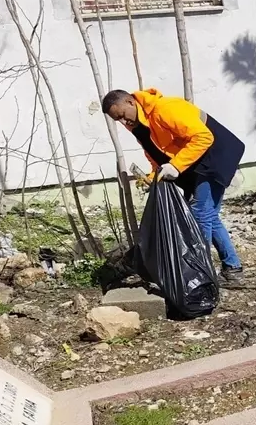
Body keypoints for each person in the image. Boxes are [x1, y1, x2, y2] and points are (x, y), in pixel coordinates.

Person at [102, 88, 246, 287]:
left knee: (198, 216)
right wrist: (153, 176)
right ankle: (233, 268)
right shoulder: (137, 125)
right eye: (117, 120)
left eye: (122, 115)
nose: (123, 122)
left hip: (215, 156)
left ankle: (199, 274)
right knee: (208, 215)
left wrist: (176, 166)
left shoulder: (165, 109)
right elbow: (154, 153)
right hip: (195, 163)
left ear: (130, 102)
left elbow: (204, 137)